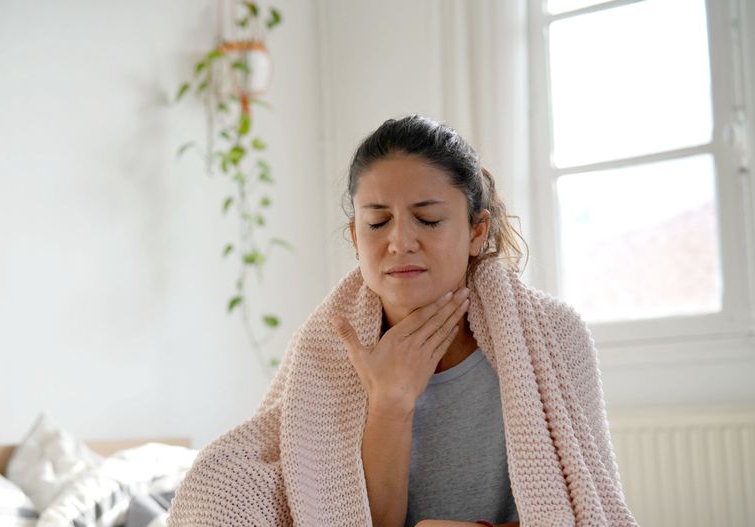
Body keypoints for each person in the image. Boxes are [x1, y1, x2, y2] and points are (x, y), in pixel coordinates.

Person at [167, 115, 639, 527]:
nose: (399, 242)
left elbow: (588, 510)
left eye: (428, 219)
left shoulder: (554, 337)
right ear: (355, 236)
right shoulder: (326, 350)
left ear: (477, 230)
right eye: (377, 222)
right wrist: (390, 402)